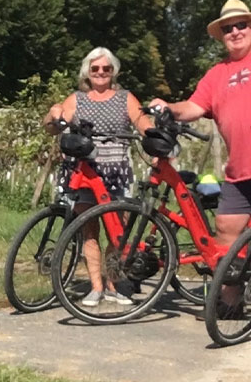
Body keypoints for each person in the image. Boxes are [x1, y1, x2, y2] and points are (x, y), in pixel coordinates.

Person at [148, 0, 251, 248]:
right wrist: (169, 106)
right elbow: (194, 106)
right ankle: (229, 287)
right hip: (241, 170)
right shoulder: (217, 73)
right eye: (227, 28)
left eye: (241, 25)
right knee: (225, 230)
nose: (235, 32)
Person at [43, 47, 151, 307]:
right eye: (95, 69)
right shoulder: (76, 100)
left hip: (116, 172)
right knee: (89, 230)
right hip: (85, 172)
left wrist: (155, 141)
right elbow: (51, 126)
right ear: (87, 73)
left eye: (106, 68)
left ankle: (114, 284)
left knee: (118, 231)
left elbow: (144, 124)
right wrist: (54, 113)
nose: (101, 73)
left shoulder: (125, 98)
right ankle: (95, 286)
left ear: (113, 71)